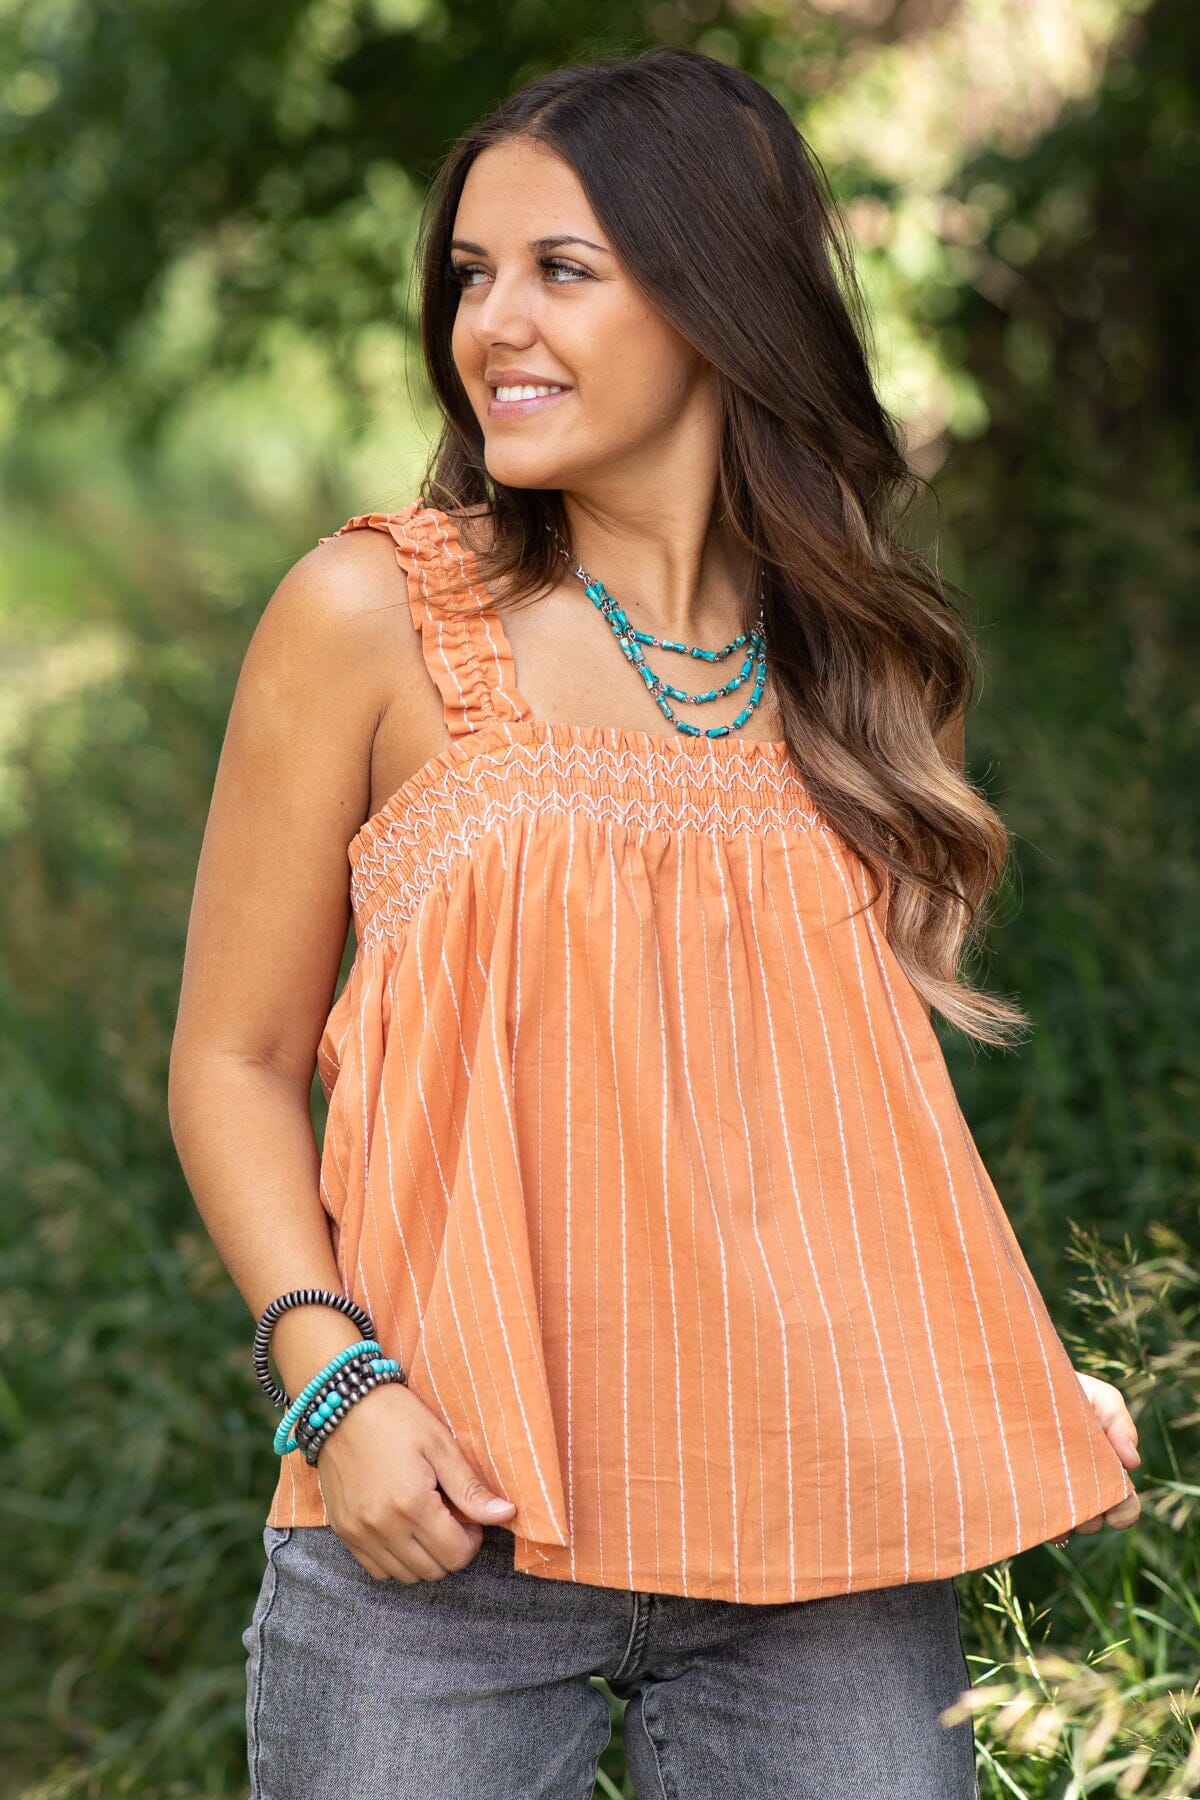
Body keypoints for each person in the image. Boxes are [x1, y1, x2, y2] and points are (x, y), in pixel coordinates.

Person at [167, 44, 1141, 1800]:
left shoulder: (859, 668)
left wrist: (993, 1381)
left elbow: (840, 1129)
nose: (492, 326)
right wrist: (334, 1387)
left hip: (831, 1536)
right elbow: (233, 1058)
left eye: (563, 270)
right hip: (443, 1521)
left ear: (719, 300)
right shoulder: (373, 614)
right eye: (472, 273)